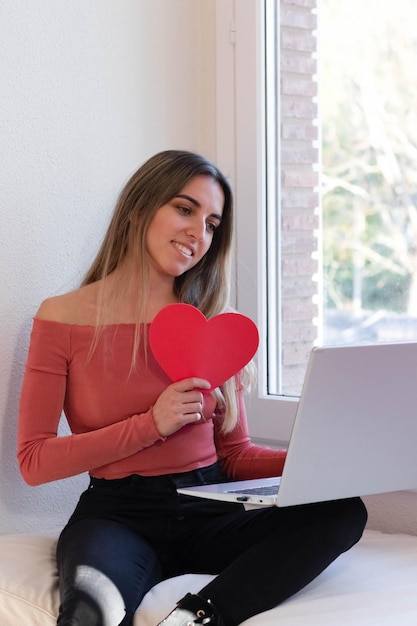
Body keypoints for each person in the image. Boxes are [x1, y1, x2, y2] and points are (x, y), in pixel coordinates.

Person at [17, 149, 367, 626]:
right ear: (139, 209)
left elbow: (235, 455)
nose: (198, 234)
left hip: (210, 510)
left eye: (211, 224)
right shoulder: (62, 318)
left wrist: (324, 459)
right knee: (88, 615)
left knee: (343, 511)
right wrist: (150, 425)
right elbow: (34, 461)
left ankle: (198, 618)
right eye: (185, 209)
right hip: (117, 516)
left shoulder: (210, 329)